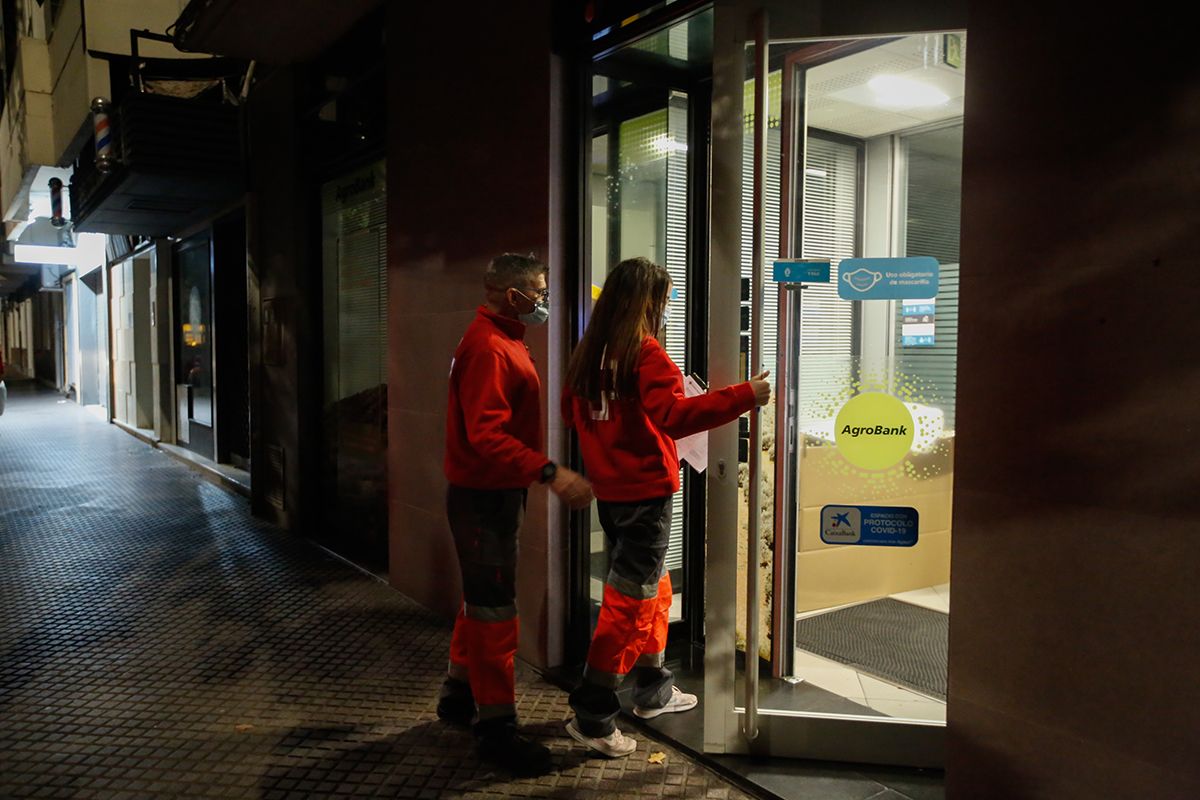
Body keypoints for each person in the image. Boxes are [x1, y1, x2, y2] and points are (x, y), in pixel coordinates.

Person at [561, 256, 771, 757]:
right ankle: (592, 714)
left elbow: (579, 421)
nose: (668, 309)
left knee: (652, 587)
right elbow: (674, 417)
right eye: (665, 299)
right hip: (645, 495)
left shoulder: (590, 354)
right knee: (628, 604)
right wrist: (746, 394)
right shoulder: (645, 353)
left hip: (612, 494)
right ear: (647, 304)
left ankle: (653, 688)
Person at [437, 253, 594, 776]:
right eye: (540, 292)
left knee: (480, 603)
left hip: (491, 495)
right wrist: (551, 473)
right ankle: (496, 729)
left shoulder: (501, 339)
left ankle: (459, 696)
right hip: (485, 497)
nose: (544, 301)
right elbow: (486, 435)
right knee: (494, 611)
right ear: (513, 294)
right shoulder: (490, 347)